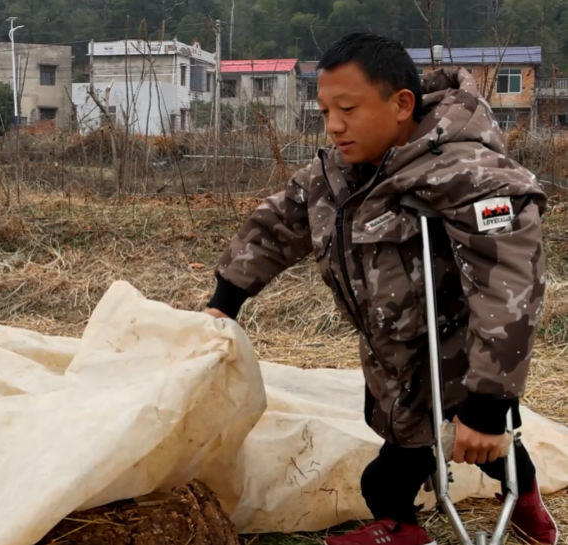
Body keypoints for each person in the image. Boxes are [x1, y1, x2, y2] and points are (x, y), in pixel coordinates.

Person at [204, 33, 558, 545]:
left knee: (447, 454)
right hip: (392, 355)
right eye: (325, 111)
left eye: (348, 108)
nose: (334, 126)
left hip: (463, 359)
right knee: (409, 445)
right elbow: (277, 225)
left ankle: (427, 520)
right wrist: (225, 302)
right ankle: (460, 509)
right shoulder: (339, 174)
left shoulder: (470, 175)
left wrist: (486, 402)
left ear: (401, 104)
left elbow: (508, 285)